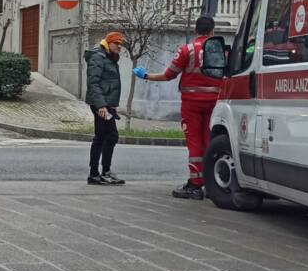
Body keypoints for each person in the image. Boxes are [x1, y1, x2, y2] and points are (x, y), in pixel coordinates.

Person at [134, 15, 223, 200]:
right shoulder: (221, 51)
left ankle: (195, 185)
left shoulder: (186, 50)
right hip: (215, 102)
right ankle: (209, 183)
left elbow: (168, 75)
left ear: (196, 31)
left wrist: (146, 76)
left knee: (194, 144)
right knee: (209, 142)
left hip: (192, 102)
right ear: (213, 31)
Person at [85, 32, 126, 186]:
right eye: (117, 44)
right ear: (107, 43)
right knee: (107, 136)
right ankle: (96, 174)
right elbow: (93, 83)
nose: (119, 47)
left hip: (106, 104)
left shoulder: (108, 57)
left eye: (121, 44)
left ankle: (101, 172)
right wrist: (101, 105)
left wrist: (110, 104)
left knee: (105, 137)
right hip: (100, 104)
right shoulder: (98, 58)